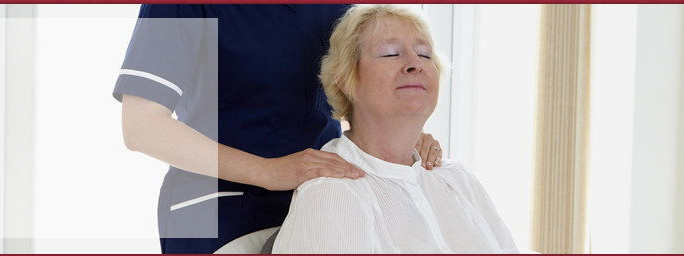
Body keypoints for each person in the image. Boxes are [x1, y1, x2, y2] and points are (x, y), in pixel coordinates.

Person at [113, 4, 445, 254]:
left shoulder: (335, 8)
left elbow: (354, 89)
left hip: (322, 199)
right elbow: (141, 126)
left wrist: (406, 137)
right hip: (219, 214)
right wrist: (268, 171)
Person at [272, 5, 517, 253]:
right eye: (390, 54)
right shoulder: (331, 195)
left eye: (424, 54)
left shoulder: (458, 179)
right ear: (345, 81)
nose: (415, 64)